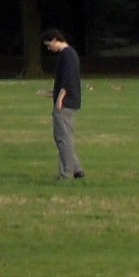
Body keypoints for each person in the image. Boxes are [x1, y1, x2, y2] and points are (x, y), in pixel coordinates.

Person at [44, 26, 84, 181]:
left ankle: (66, 173)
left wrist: (59, 100)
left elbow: (67, 81)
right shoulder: (71, 54)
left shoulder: (66, 55)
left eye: (49, 45)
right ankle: (77, 169)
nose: (49, 48)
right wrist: (51, 92)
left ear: (55, 40)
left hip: (65, 103)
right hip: (70, 100)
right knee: (65, 136)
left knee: (62, 138)